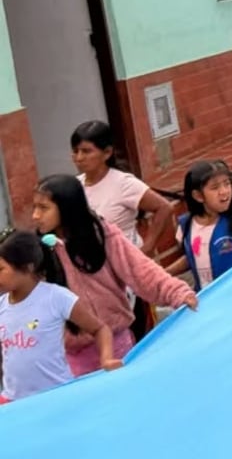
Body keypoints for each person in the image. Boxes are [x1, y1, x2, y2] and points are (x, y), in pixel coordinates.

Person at [31, 175, 197, 376]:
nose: (35, 215)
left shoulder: (102, 236)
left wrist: (177, 293)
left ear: (67, 207)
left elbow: (141, 271)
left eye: (43, 208)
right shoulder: (38, 251)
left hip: (117, 346)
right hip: (71, 359)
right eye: (34, 207)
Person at [0, 230, 121, 403]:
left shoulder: (56, 298)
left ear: (28, 267)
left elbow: (100, 329)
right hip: (14, 401)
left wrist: (107, 359)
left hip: (57, 396)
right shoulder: (2, 304)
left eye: (1, 269)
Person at [166, 160, 232, 291]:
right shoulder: (186, 227)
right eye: (215, 187)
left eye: (227, 184)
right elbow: (193, 257)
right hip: (205, 297)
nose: (224, 191)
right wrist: (164, 272)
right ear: (198, 196)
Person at [71, 121, 174, 257]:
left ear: (107, 153)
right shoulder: (75, 185)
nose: (79, 158)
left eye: (86, 151)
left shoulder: (123, 183)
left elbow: (164, 207)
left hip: (126, 260)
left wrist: (147, 248)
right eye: (75, 151)